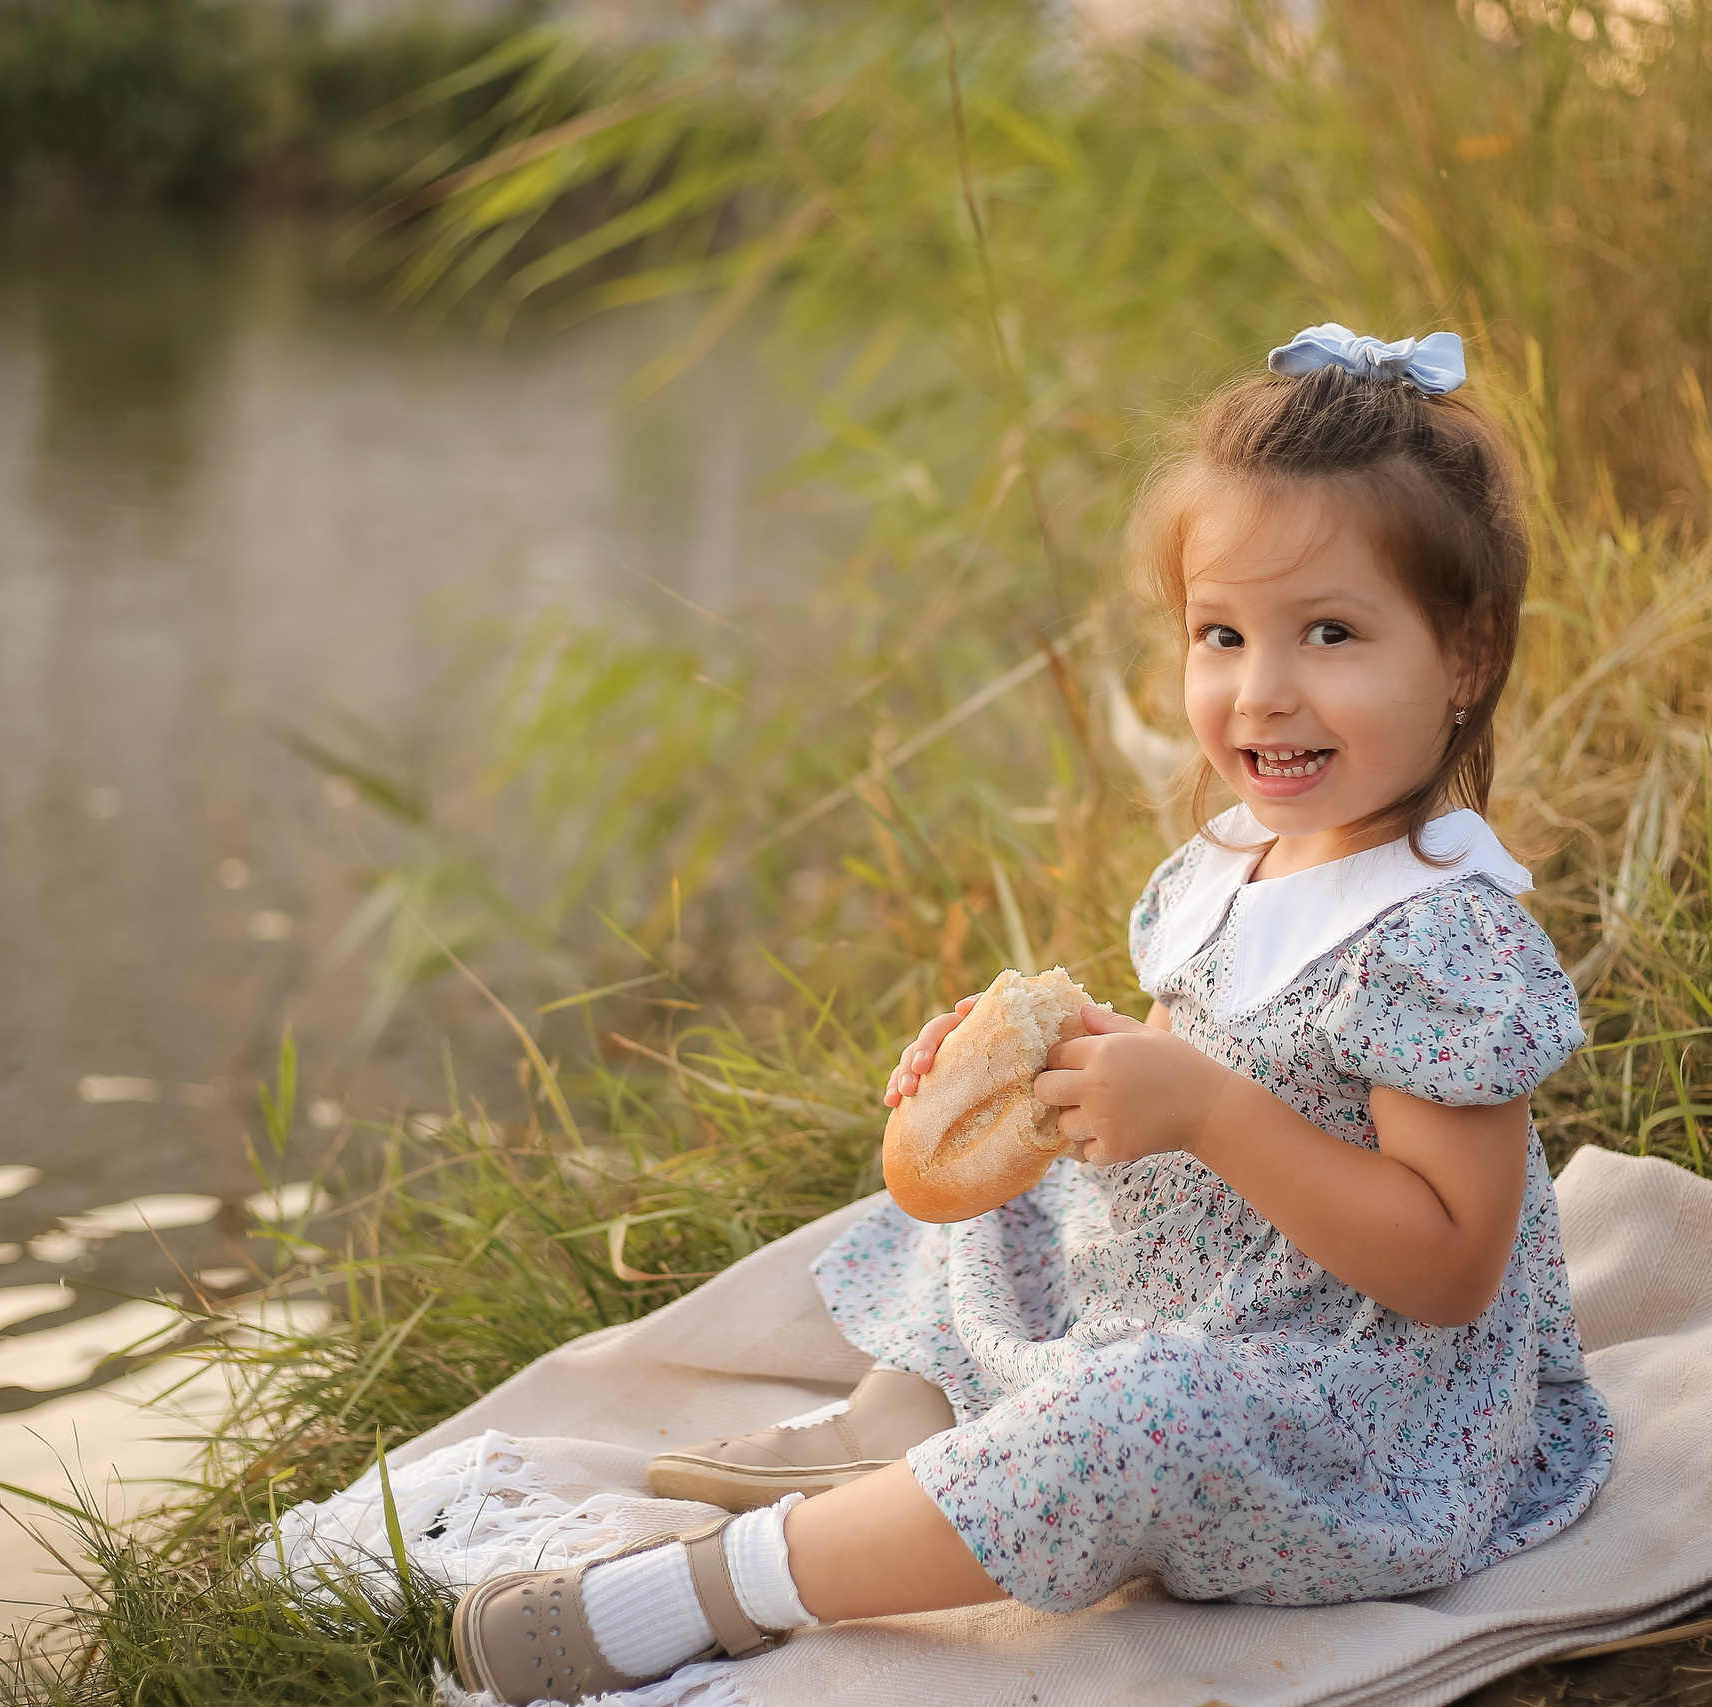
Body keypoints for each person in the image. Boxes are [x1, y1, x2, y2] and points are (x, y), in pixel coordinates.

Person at [450, 323, 1615, 1705]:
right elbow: (1224, 1064)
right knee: (996, 1185)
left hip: (1353, 1414)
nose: (1263, 691)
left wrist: (1202, 1109)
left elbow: (1447, 1269)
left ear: (1466, 655)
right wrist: (1057, 1071)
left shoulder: (1438, 939)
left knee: (1143, 1421)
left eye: (1333, 635)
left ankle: (726, 1589)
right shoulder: (1239, 856)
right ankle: (908, 1421)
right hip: (1194, 1281)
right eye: (1221, 635)